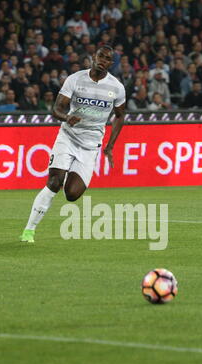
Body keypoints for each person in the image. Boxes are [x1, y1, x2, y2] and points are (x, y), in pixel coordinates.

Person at [20, 45, 125, 243]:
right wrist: (67, 117)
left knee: (72, 194)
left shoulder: (117, 87)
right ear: (94, 57)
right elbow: (56, 108)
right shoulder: (75, 79)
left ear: (112, 63)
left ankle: (71, 175)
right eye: (101, 56)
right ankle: (29, 230)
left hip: (91, 145)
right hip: (68, 137)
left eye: (108, 59)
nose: (103, 61)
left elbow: (120, 116)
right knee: (54, 182)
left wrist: (110, 145)